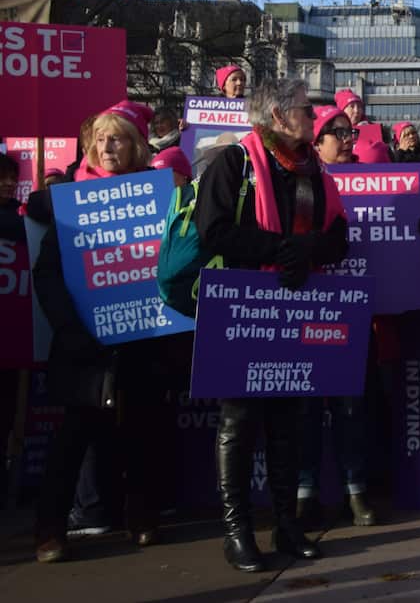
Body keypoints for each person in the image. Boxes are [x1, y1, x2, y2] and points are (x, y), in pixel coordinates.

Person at [196, 78, 350, 571]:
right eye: (306, 109)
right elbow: (213, 232)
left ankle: (286, 525)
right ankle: (238, 531)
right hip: (244, 311)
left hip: (293, 310)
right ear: (279, 117)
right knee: (238, 422)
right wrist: (280, 251)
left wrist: (307, 252)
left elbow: (339, 238)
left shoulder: (313, 170)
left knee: (288, 421)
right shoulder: (234, 163)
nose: (314, 115)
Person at [30, 101, 184, 562]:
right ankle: (50, 529)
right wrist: (70, 328)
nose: (106, 146)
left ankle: (141, 515)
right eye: (99, 139)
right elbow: (48, 274)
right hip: (84, 341)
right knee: (74, 434)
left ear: (137, 146)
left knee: (142, 430)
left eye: (116, 138)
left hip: (141, 337)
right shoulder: (71, 201)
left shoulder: (157, 198)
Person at [295, 104, 376, 528]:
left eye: (350, 132)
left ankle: (355, 489)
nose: (348, 139)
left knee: (350, 406)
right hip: (305, 304)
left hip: (351, 308)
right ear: (317, 142)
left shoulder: (373, 181)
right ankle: (304, 492)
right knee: (306, 407)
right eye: (338, 132)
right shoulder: (301, 181)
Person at [335, 89, 392, 164]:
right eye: (352, 107)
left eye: (359, 107)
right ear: (342, 110)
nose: (357, 110)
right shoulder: (333, 131)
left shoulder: (374, 130)